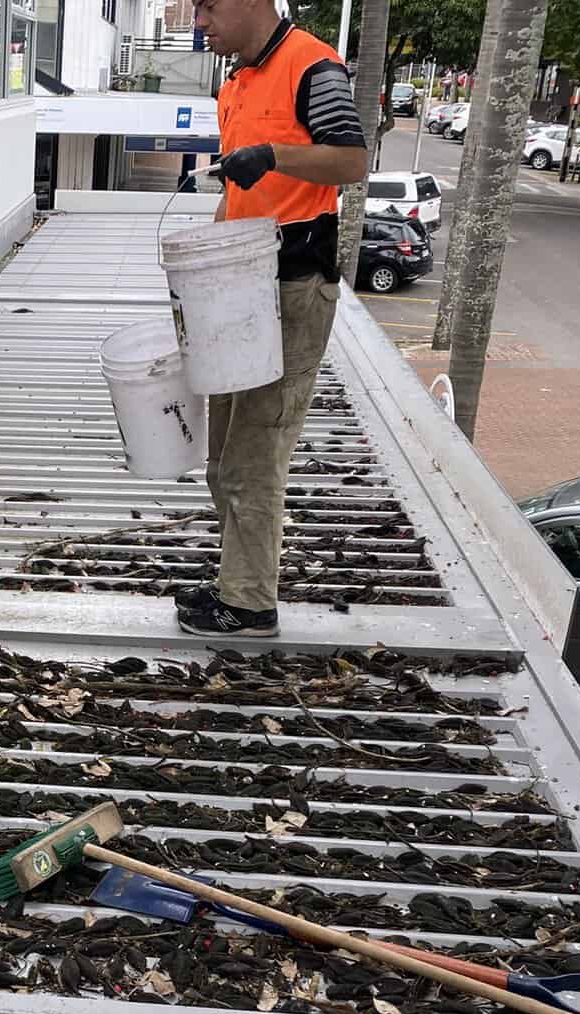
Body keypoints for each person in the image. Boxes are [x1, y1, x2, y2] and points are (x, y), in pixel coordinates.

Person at [175, 0, 368, 638]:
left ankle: (251, 603)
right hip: (238, 287)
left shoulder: (312, 65)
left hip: (290, 288)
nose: (199, 20)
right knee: (223, 455)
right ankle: (235, 582)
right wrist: (200, 268)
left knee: (255, 454)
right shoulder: (236, 81)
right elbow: (239, 196)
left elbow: (350, 160)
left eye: (206, 5)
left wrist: (275, 155)